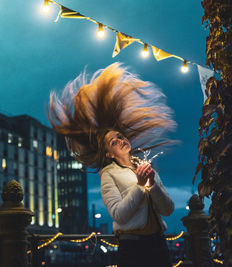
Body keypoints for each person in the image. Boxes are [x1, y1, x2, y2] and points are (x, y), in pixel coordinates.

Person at [47, 63, 175, 267]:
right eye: (114, 142)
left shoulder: (144, 166)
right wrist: (140, 186)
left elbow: (168, 209)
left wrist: (153, 184)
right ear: (108, 153)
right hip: (133, 248)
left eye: (121, 136)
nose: (121, 140)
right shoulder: (108, 174)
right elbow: (118, 215)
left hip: (158, 243)